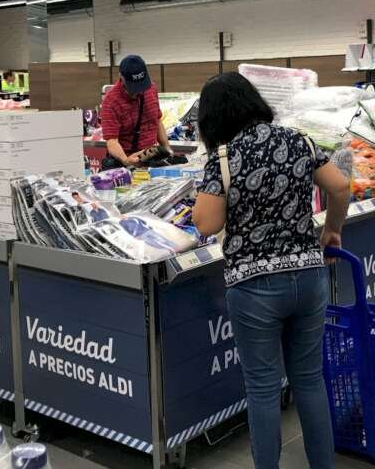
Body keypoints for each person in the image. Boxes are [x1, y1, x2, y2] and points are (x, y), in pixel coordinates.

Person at [192, 72, 351, 469]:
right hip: (310, 278)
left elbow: (206, 224)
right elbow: (341, 186)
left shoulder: (224, 159)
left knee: (262, 390)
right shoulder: (299, 140)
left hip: (254, 288)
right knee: (310, 381)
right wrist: (332, 230)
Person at [99, 55, 172, 168]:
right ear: (121, 77)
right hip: (126, 163)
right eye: (134, 86)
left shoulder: (151, 89)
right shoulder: (111, 101)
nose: (139, 90)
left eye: (141, 84)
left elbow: (157, 120)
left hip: (151, 159)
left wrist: (167, 148)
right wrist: (126, 160)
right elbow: (112, 141)